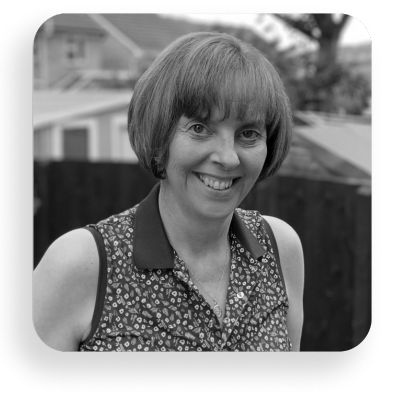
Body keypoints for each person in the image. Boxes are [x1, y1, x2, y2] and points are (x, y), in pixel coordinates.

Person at [33, 32, 304, 352]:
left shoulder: (279, 248)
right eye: (200, 128)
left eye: (248, 133)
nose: (228, 158)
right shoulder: (81, 264)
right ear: (159, 134)